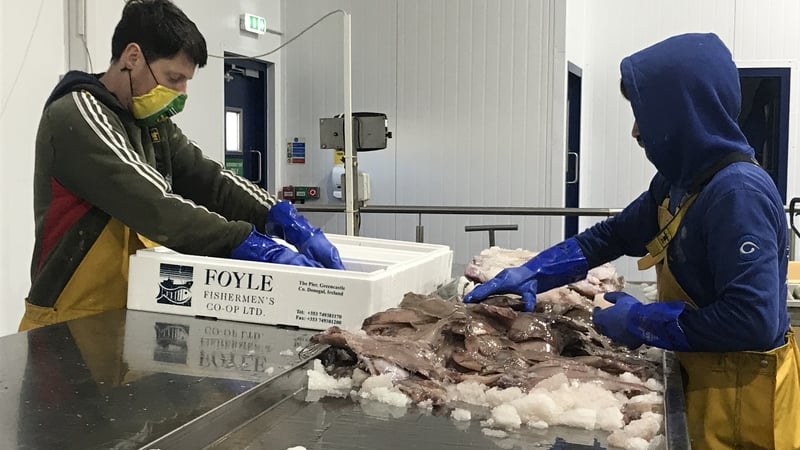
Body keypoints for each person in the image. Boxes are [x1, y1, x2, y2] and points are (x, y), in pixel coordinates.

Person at [464, 33, 800, 449]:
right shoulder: (680, 183)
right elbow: (614, 235)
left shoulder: (737, 194)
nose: (636, 131)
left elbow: (753, 321)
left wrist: (642, 322)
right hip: (704, 383)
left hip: (740, 409)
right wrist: (536, 271)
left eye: (646, 115)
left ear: (684, 115)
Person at [21, 0, 344, 331]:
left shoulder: (151, 123)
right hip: (66, 320)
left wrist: (279, 216)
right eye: (173, 78)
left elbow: (211, 179)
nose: (181, 93)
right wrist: (246, 243)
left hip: (129, 311)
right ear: (132, 58)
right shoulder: (77, 116)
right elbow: (153, 204)